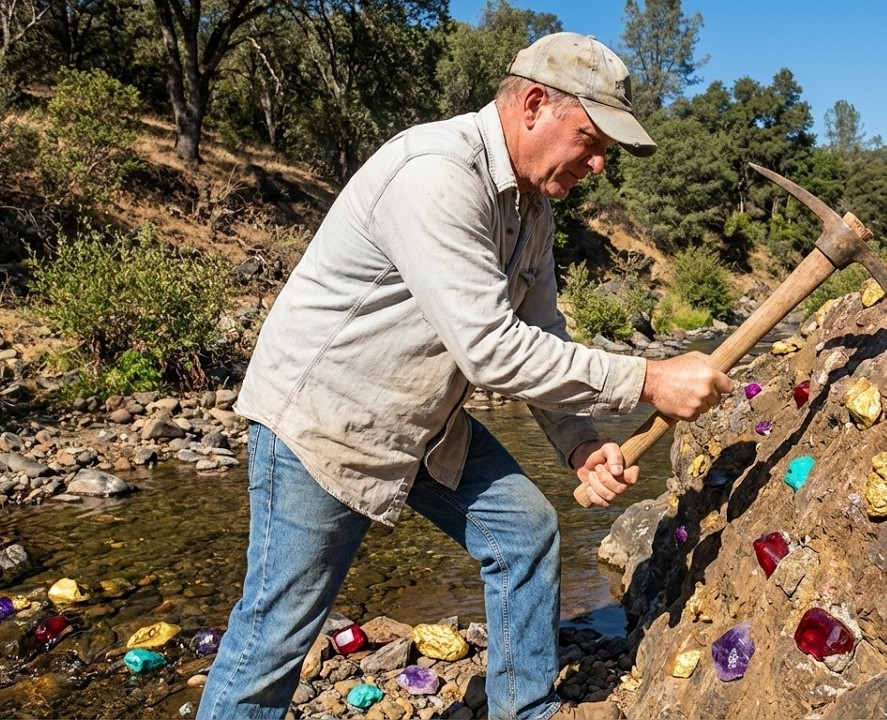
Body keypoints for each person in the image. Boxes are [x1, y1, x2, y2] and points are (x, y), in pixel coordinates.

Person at [198, 31, 732, 720]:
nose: (600, 165)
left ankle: (523, 709)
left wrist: (578, 442)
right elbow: (491, 351)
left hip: (423, 419)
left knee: (524, 532)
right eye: (593, 140)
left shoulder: (532, 209)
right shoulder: (437, 173)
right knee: (276, 633)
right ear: (535, 103)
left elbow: (539, 339)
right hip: (325, 421)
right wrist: (650, 379)